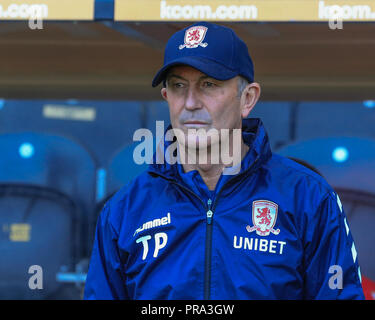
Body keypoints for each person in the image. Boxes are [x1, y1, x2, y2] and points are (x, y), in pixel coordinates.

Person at [84, 21, 364, 300]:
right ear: (167, 97)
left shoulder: (309, 197)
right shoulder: (125, 211)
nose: (191, 102)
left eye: (209, 84)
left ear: (248, 99)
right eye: (179, 86)